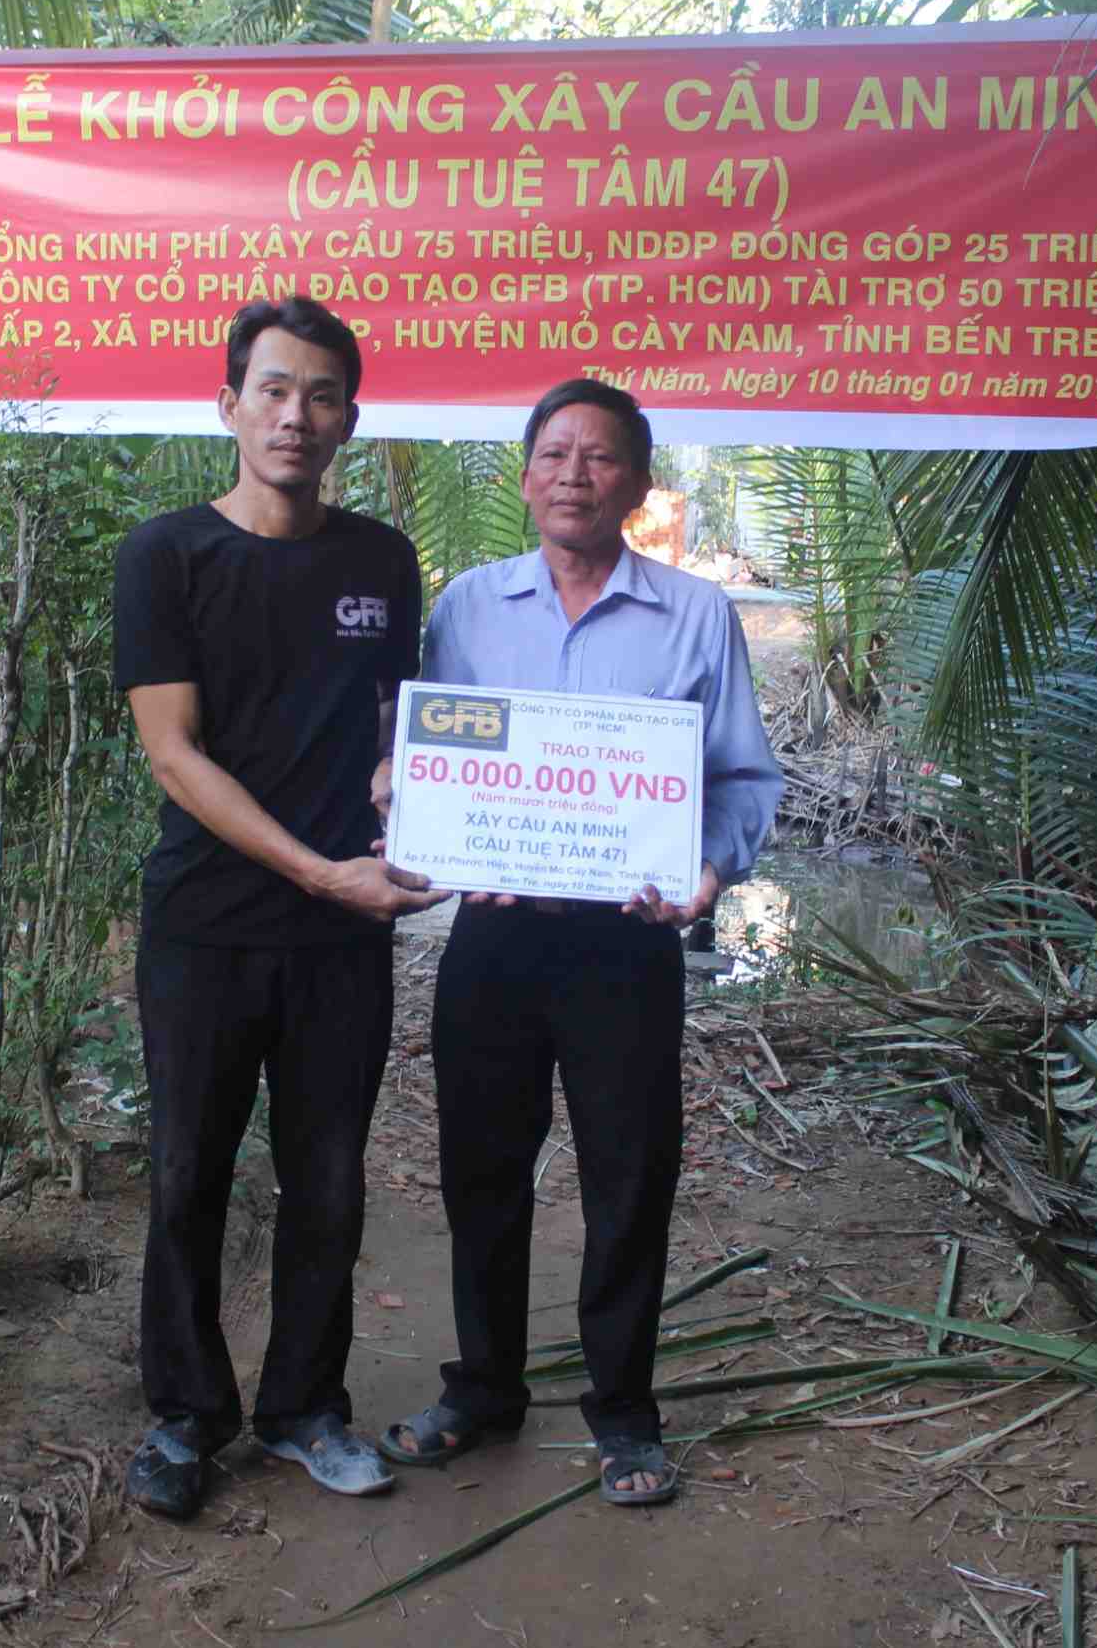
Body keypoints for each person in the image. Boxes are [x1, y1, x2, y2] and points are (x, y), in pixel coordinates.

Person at [377, 379, 782, 1505]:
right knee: (481, 1170)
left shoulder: (696, 615)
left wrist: (709, 873)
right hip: (495, 940)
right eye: (553, 454)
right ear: (524, 477)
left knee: (628, 1174)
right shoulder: (467, 606)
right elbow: (429, 754)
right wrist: (417, 815)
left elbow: (744, 777)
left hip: (626, 947)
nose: (574, 475)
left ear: (638, 484)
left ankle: (625, 1413)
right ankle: (483, 1387)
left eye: (599, 457)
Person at [112, 296, 449, 1520]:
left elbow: (394, 722)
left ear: (347, 419)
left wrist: (401, 783)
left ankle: (305, 1405)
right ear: (229, 405)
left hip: (341, 938)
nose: (294, 415)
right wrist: (315, 868)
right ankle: (185, 1414)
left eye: (320, 395)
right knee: (186, 1173)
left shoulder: (381, 561)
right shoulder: (166, 556)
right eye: (272, 389)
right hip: (207, 924)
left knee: (329, 1180)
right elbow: (173, 752)